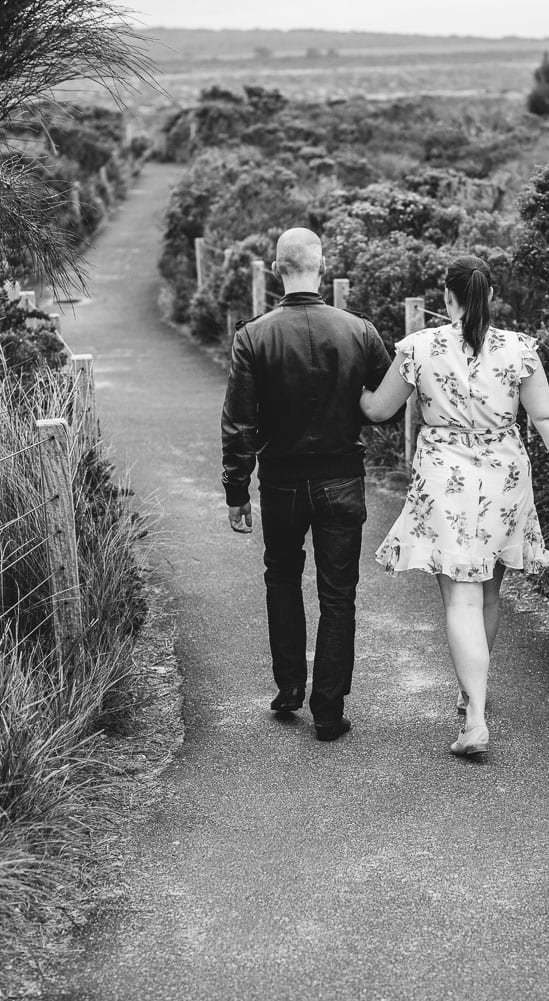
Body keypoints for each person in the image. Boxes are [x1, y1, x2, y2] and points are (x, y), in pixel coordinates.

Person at [360, 254, 549, 757]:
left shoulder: (419, 347)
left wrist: (353, 383)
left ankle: (477, 718)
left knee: (459, 598)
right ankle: (470, 695)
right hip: (506, 473)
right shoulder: (518, 349)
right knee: (486, 594)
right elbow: (545, 416)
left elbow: (377, 409)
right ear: (489, 295)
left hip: (445, 475)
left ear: (448, 297)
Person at [221, 227, 391, 742]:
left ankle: (289, 687)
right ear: (322, 266)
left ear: (277, 269)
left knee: (282, 578)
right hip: (341, 478)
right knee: (339, 595)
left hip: (281, 483)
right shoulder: (359, 331)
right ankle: (329, 711)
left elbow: (239, 423)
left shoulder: (253, 335)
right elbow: (386, 401)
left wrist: (236, 490)